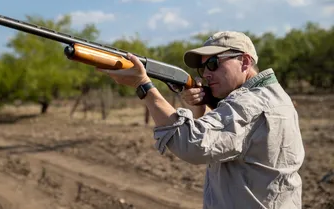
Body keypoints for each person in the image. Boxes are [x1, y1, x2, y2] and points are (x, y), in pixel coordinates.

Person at [97, 31, 305, 209]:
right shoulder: (272, 96)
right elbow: (223, 144)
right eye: (203, 68)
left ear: (245, 61)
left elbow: (192, 145)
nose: (206, 74)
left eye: (214, 64)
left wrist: (143, 85)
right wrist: (200, 107)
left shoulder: (250, 104)